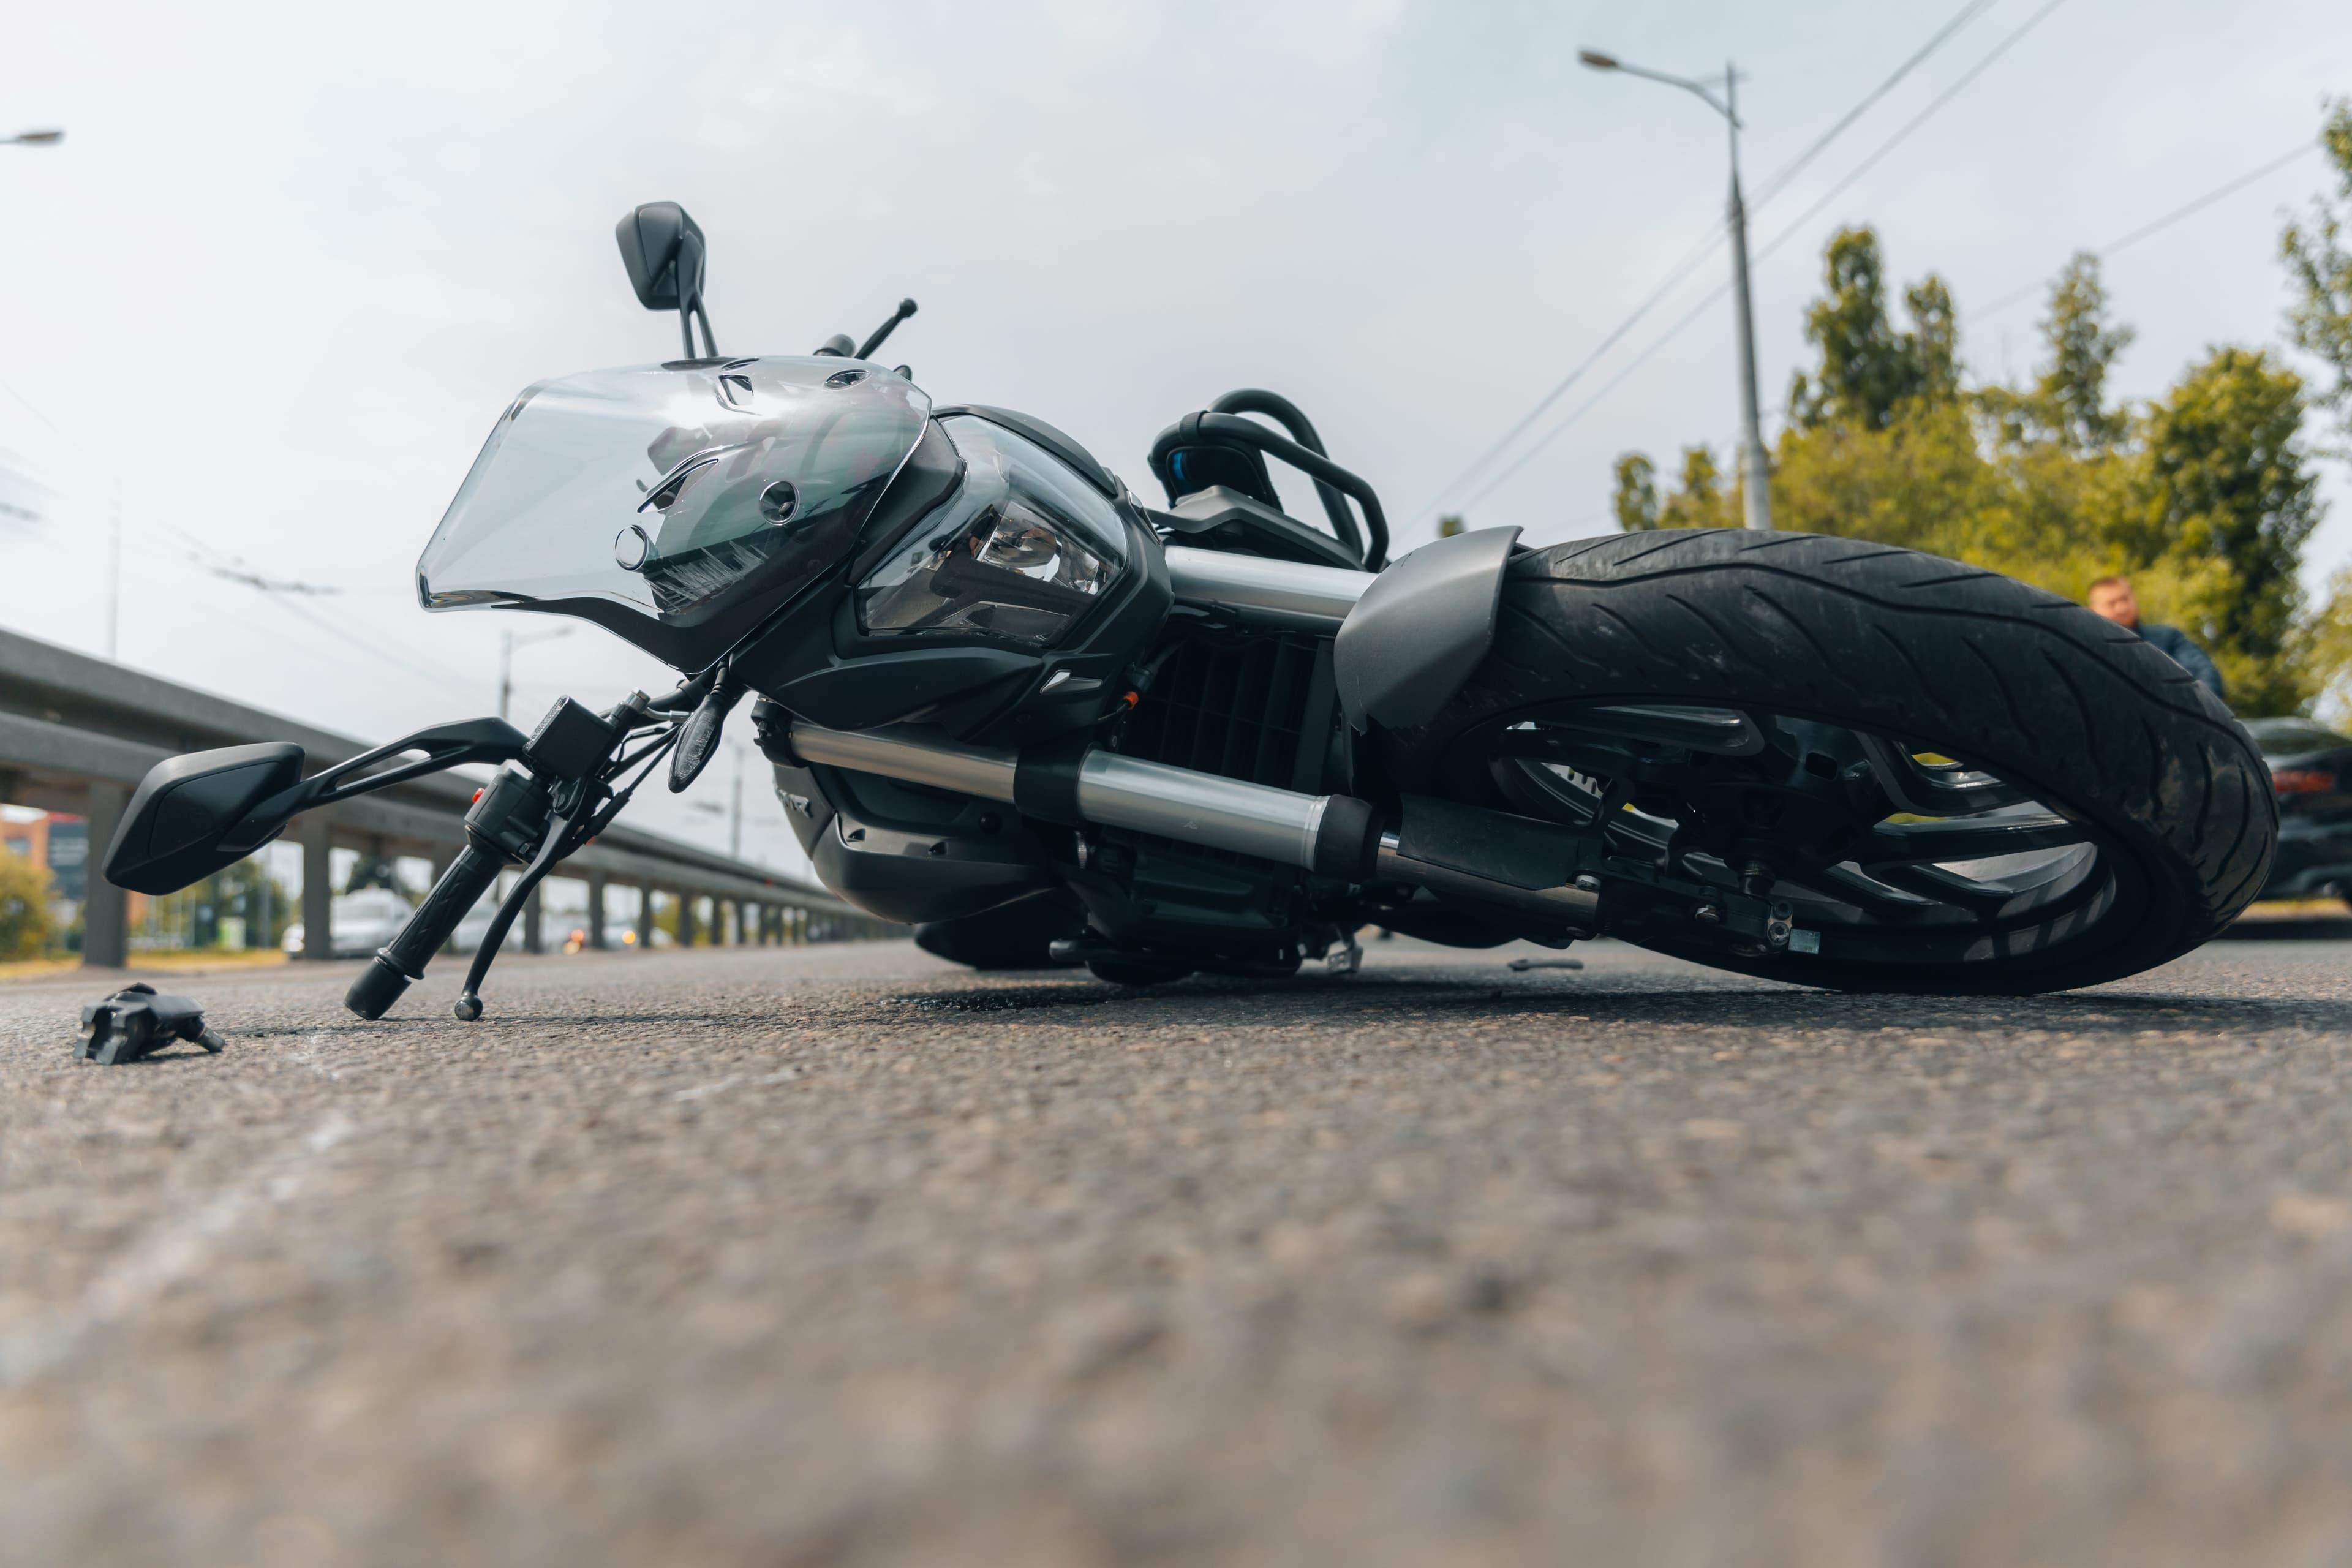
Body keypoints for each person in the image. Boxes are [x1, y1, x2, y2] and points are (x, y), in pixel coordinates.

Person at [2084, 575, 2226, 703]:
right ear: (2092, 610)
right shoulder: (2084, 650)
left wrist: (2200, 708)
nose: (2122, 608)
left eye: (2125, 599)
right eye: (2112, 603)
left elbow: (2204, 673)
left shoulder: (2168, 638)